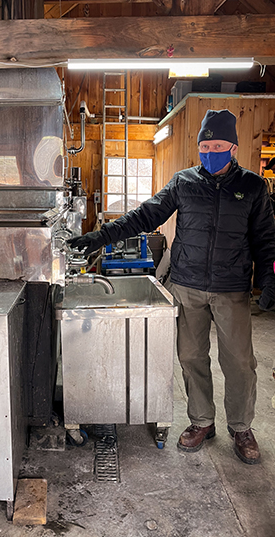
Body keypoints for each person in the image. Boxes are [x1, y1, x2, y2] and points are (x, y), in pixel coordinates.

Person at [69, 109, 275, 465]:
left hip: (232, 288)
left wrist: (270, 279)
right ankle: (202, 421)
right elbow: (144, 215)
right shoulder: (184, 182)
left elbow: (267, 241)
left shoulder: (254, 188)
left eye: (218, 145)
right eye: (205, 145)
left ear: (234, 148)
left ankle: (241, 427)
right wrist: (102, 236)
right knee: (191, 357)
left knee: (240, 362)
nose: (210, 152)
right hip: (187, 284)